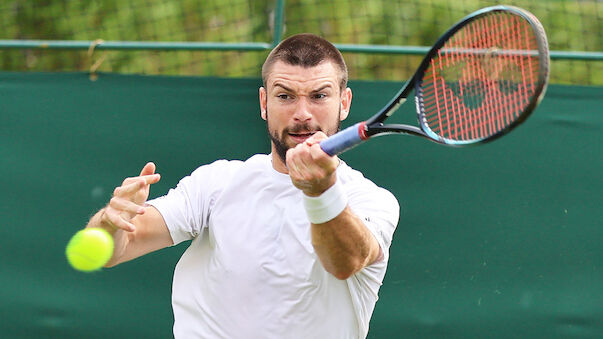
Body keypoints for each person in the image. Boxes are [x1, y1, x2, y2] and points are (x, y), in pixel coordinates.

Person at [84, 33, 399, 339]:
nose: (302, 114)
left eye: (319, 96)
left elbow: (345, 262)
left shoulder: (371, 200)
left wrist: (322, 192)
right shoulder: (216, 183)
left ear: (344, 103)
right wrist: (110, 222)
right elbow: (118, 248)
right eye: (285, 96)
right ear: (264, 103)